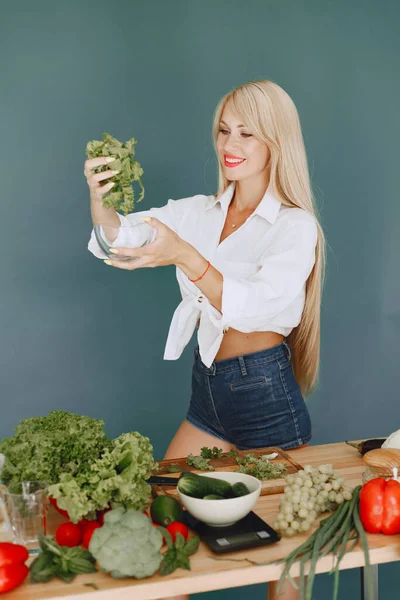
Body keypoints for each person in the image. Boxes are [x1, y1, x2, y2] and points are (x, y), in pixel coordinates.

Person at [85, 79, 325, 600]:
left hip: (265, 397)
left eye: (247, 133)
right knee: (162, 526)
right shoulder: (198, 212)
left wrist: (187, 257)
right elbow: (121, 236)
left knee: (284, 562)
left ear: (276, 142)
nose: (230, 145)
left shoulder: (294, 226)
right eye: (223, 130)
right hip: (209, 392)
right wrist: (101, 203)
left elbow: (256, 305)